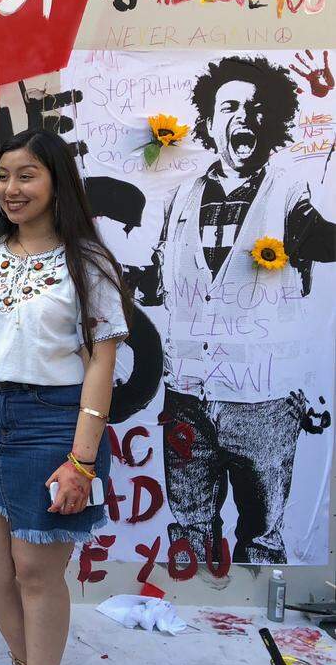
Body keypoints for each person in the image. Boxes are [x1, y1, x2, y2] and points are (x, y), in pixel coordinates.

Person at [0, 129, 130, 665]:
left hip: (54, 427)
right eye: (4, 176)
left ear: (57, 182)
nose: (11, 189)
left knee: (36, 574)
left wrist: (82, 460)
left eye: (27, 175)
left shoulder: (88, 262)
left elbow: (100, 363)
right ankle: (28, 659)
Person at [128, 55, 336, 565]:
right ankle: (190, 624)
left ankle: (248, 631)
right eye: (230, 107)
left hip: (262, 405)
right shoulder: (179, 198)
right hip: (187, 399)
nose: (244, 116)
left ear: (273, 122)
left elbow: (323, 240)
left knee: (261, 540)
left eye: (257, 107)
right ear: (210, 121)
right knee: (188, 530)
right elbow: (159, 286)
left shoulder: (290, 192)